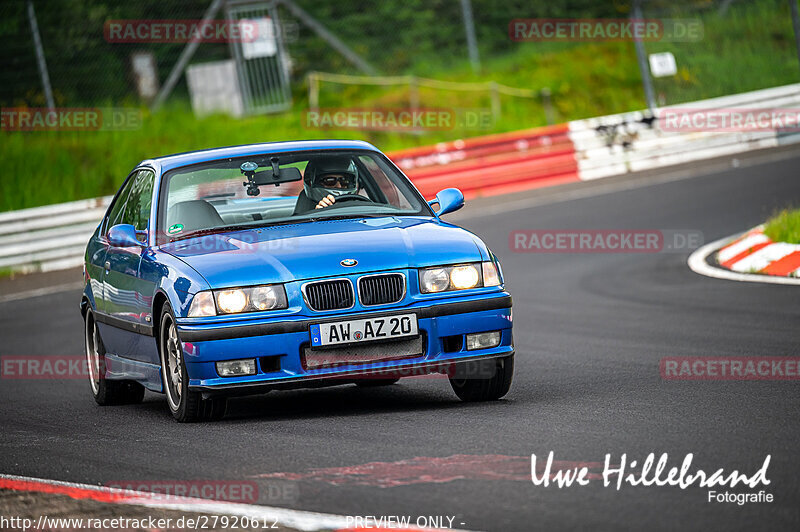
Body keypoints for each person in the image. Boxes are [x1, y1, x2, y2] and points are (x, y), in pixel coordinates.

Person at [292, 155, 360, 215]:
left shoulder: (361, 206)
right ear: (311, 182)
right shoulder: (304, 214)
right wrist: (318, 214)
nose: (339, 186)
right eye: (330, 181)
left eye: (344, 181)